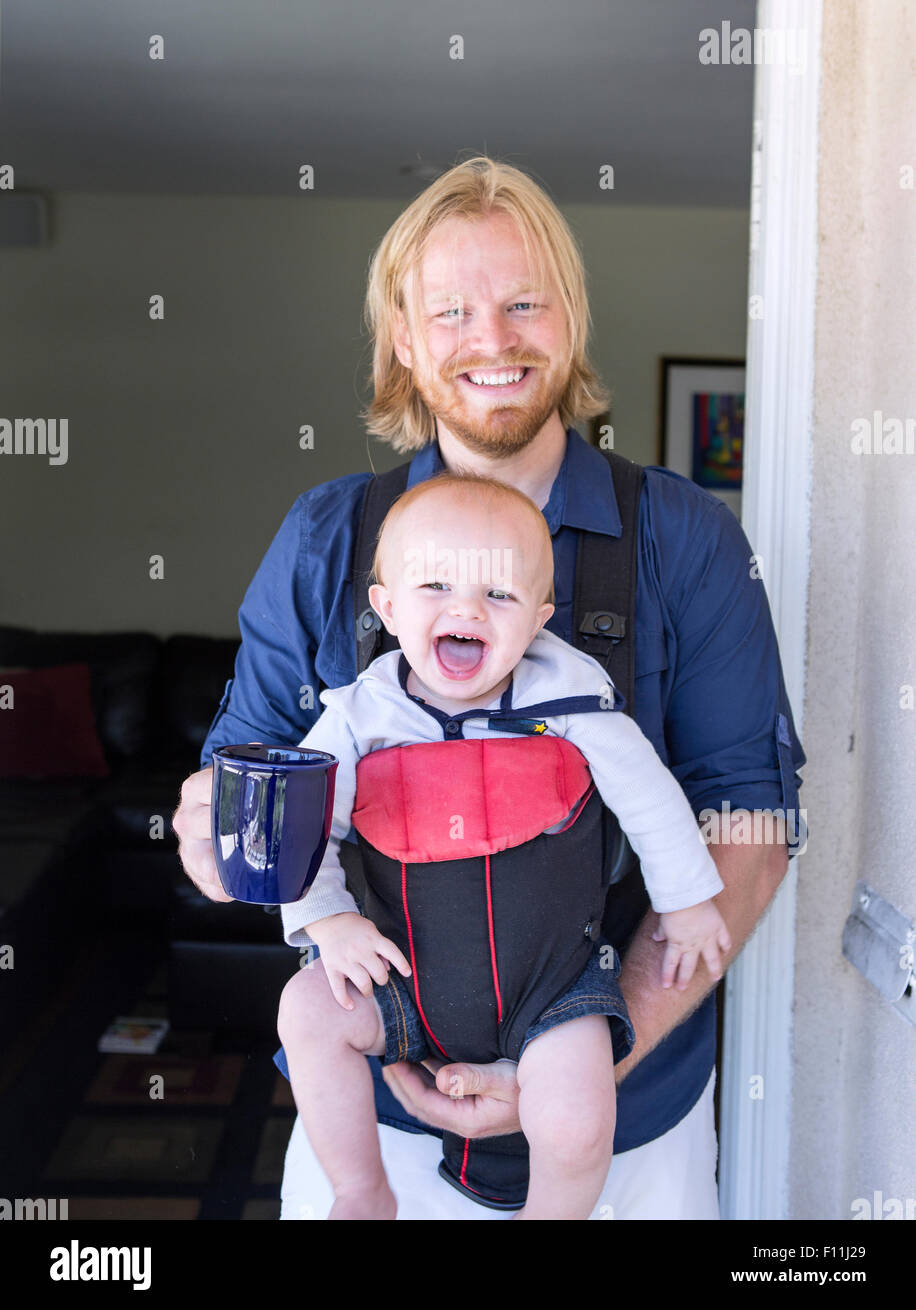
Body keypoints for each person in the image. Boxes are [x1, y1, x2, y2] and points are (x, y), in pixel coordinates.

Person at [173, 155, 805, 1220]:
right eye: (452, 309)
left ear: (568, 318)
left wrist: (589, 1054)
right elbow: (237, 795)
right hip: (372, 1122)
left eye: (523, 303)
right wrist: (216, 830)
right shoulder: (327, 539)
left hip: (625, 1120)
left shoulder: (683, 536)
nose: (494, 338)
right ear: (404, 342)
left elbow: (750, 818)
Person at [276, 471, 731, 1219]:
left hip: (548, 991)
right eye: (435, 587)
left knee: (579, 1112)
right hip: (406, 981)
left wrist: (687, 903)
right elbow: (303, 828)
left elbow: (652, 799)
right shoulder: (359, 717)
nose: (466, 608)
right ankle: (361, 1190)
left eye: (499, 595)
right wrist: (327, 920)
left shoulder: (574, 709)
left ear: (540, 619)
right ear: (386, 608)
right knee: (306, 1010)